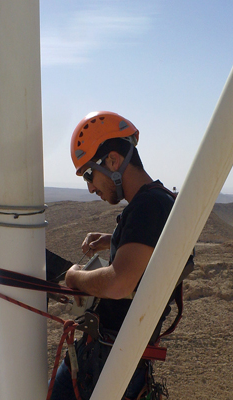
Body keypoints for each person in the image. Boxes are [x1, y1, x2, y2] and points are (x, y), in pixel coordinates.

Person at [50, 111, 183, 400]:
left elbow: (118, 283)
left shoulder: (147, 206)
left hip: (109, 361)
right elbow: (152, 252)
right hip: (114, 357)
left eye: (89, 174)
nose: (90, 187)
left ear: (112, 160)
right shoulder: (159, 201)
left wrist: (75, 277)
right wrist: (112, 241)